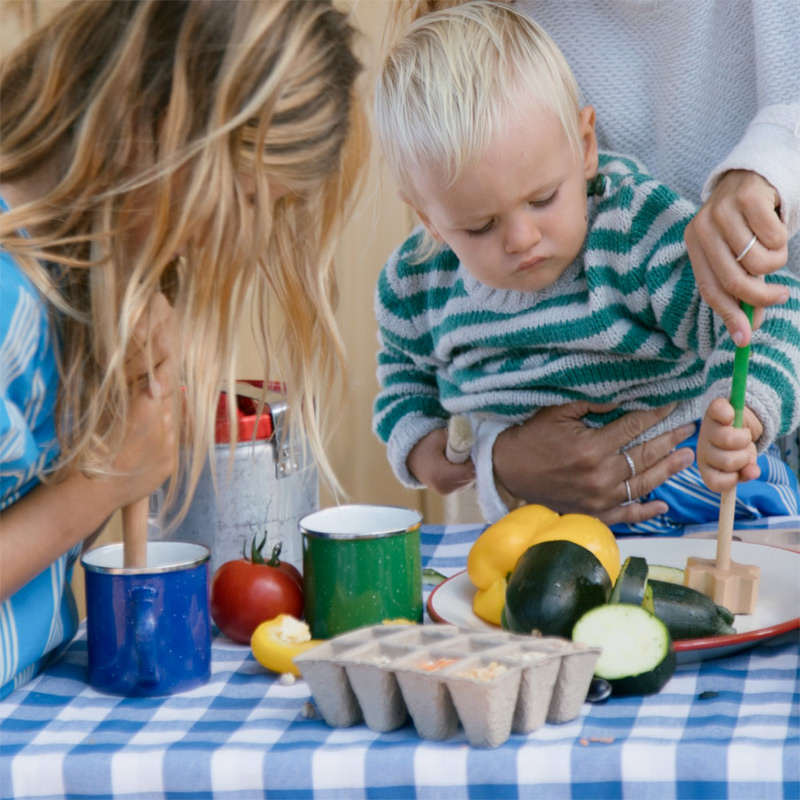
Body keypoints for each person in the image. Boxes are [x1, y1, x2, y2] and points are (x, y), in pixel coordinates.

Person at [0, 0, 367, 698]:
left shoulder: (62, 289)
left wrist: (115, 415)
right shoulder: (6, 300)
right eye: (255, 202)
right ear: (168, 128)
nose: (241, 244)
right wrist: (105, 483)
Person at [371, 2, 800, 527]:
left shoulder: (632, 230)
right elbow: (404, 383)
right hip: (553, 540)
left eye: (544, 198)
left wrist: (745, 415)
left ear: (585, 146)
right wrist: (420, 447)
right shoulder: (416, 285)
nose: (522, 239)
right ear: (431, 221)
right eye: (480, 227)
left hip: (709, 500)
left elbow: (773, 311)